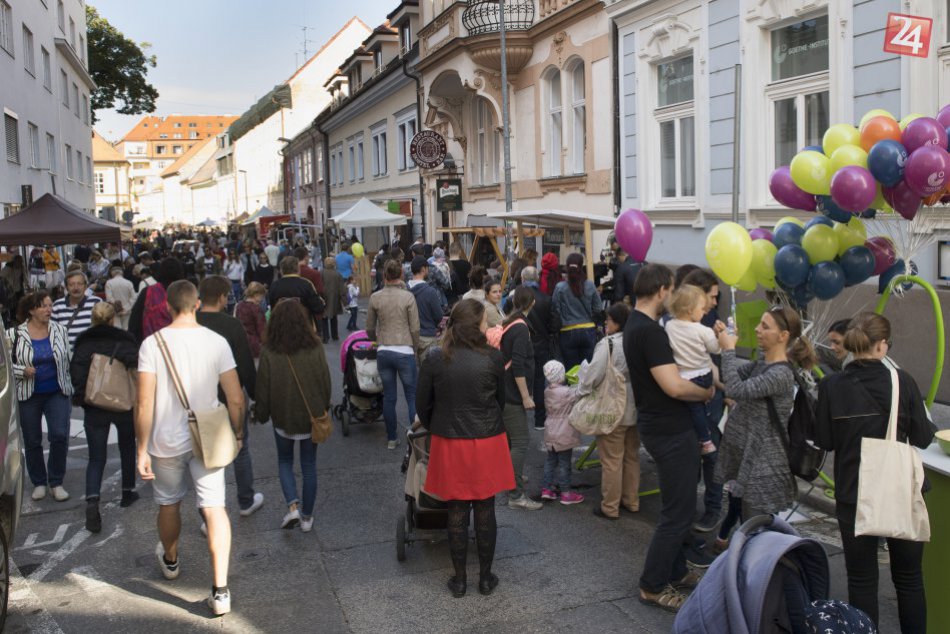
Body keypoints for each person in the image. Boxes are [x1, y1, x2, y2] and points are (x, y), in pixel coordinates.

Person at [815, 313, 935, 632]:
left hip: (853, 491)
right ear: (882, 346)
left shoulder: (830, 386)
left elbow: (825, 440)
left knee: (862, 580)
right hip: (898, 489)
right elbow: (923, 437)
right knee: (909, 579)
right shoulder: (902, 381)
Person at [135, 280, 245, 616]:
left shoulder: (152, 345)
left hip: (165, 440)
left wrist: (141, 449)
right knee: (214, 507)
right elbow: (236, 397)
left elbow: (144, 402)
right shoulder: (217, 342)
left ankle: (171, 560)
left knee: (168, 502)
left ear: (168, 306)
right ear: (197, 304)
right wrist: (238, 434)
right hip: (209, 436)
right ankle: (220, 590)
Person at [623, 264, 715, 612]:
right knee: (678, 513)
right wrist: (704, 394)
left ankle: (676, 571)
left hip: (658, 425)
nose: (673, 296)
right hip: (669, 428)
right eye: (672, 290)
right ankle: (652, 585)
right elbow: (674, 386)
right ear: (662, 290)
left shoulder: (635, 323)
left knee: (678, 505)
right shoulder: (650, 331)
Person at [416, 298, 513, 598]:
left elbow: (423, 404)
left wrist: (437, 426)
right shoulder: (493, 358)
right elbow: (501, 401)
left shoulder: (435, 357)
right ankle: (485, 578)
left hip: (450, 438)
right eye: (484, 320)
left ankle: (459, 580)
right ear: (477, 324)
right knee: (485, 507)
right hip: (487, 438)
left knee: (456, 508)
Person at [715, 305, 815, 518]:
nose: (757, 329)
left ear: (783, 335)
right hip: (751, 454)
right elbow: (729, 376)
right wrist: (723, 342)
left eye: (765, 326)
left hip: (764, 463)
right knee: (745, 522)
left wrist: (729, 350)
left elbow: (735, 389)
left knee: (756, 527)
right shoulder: (764, 362)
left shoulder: (780, 374)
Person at [254, 300, 332, 532]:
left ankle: (293, 508)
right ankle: (307, 517)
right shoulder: (315, 346)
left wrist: (261, 414)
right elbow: (326, 382)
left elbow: (263, 388)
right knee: (309, 465)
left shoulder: (269, 351)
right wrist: (323, 408)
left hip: (283, 417)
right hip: (310, 417)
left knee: (285, 461)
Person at [197, 276, 264, 519]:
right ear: (223, 297)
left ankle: (209, 513)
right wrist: (256, 395)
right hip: (228, 396)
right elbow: (245, 365)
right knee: (240, 448)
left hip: (197, 399)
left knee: (206, 457)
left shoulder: (189, 324)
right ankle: (245, 500)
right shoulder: (231, 326)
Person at [70, 302, 140, 532]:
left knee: (96, 457)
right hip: (122, 404)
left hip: (95, 405)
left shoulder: (83, 342)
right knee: (127, 446)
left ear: (93, 318)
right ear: (112, 319)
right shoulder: (125, 339)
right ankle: (127, 492)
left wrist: (81, 396)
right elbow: (136, 365)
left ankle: (92, 499)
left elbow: (77, 372)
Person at [8, 291, 74, 502]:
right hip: (29, 395)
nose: (48, 310)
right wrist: (21, 371)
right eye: (43, 306)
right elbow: (5, 364)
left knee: (59, 435)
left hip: (57, 391)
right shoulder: (14, 334)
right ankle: (38, 481)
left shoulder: (60, 330)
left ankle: (56, 481)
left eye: (50, 305)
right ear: (31, 310)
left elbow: (68, 358)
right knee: (33, 440)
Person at [578, 302, 640, 520]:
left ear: (617, 323)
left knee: (612, 459)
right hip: (635, 404)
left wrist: (580, 390)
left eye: (609, 320)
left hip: (612, 404)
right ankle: (631, 501)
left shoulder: (608, 344)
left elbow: (593, 374)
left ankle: (610, 506)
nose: (606, 324)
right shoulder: (637, 340)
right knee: (631, 456)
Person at [366, 260, 420, 449]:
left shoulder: (376, 297)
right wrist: (414, 347)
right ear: (401, 275)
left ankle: (391, 438)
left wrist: (376, 339)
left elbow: (369, 327)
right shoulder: (408, 297)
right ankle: (415, 437)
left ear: (384, 276)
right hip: (404, 348)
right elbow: (414, 328)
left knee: (389, 397)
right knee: (411, 395)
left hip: (384, 349)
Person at [665, 285, 723, 456]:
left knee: (693, 409)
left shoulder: (669, 326)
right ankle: (706, 440)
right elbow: (715, 349)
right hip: (703, 374)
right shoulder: (703, 330)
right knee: (699, 409)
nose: (705, 312)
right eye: (702, 308)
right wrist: (720, 337)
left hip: (683, 376)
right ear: (690, 310)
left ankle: (701, 437)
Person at [500, 286, 541, 511]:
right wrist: (526, 396)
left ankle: (511, 478)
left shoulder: (510, 322)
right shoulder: (521, 328)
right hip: (512, 394)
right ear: (531, 303)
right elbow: (518, 364)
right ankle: (515, 494)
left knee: (510, 441)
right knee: (521, 441)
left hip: (503, 390)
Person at [503, 267, 558, 430]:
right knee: (540, 381)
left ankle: (517, 418)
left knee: (516, 376)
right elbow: (555, 324)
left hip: (518, 342)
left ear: (522, 278)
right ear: (537, 277)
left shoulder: (514, 297)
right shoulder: (547, 299)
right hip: (541, 344)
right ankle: (539, 420)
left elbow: (505, 316)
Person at [539, 360, 583, 505]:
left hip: (550, 431)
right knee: (564, 463)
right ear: (561, 375)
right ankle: (566, 494)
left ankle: (546, 489)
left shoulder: (547, 391)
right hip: (564, 432)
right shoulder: (566, 392)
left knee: (550, 461)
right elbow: (580, 392)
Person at [552, 253, 602, 370]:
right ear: (581, 266)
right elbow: (598, 308)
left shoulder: (560, 287)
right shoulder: (590, 285)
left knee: (572, 371)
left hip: (567, 331)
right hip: (588, 330)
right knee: (588, 370)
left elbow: (555, 310)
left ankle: (573, 388)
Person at [129, 257, 186, 342]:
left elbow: (134, 321)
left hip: (152, 344)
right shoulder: (186, 292)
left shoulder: (148, 292)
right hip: (180, 343)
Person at [268, 256, 325, 326]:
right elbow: (318, 307)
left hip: (281, 326)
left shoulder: (274, 286)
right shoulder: (306, 284)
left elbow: (272, 307)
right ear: (298, 269)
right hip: (304, 326)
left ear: (281, 270)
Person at [51, 271, 102, 348]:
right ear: (66, 287)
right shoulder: (57, 305)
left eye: (79, 284)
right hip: (66, 356)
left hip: (91, 354)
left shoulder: (96, 302)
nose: (76, 288)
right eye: (71, 285)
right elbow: (52, 332)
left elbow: (104, 328)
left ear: (85, 286)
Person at [408, 256, 444, 360]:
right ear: (423, 269)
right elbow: (438, 315)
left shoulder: (405, 289)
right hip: (428, 335)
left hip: (409, 337)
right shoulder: (430, 291)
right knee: (428, 372)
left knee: (413, 373)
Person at [235, 282, 267, 358]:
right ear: (256, 295)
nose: (262, 299)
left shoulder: (239, 306)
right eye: (262, 296)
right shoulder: (256, 309)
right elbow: (262, 329)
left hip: (241, 343)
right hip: (255, 345)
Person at [321, 257, 345, 342]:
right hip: (335, 298)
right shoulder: (338, 274)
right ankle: (335, 335)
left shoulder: (321, 273)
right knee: (334, 317)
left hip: (324, 297)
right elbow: (342, 289)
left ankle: (325, 336)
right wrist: (345, 301)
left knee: (324, 317)